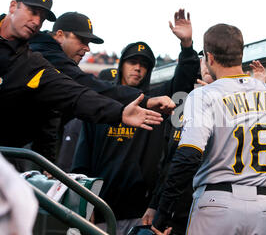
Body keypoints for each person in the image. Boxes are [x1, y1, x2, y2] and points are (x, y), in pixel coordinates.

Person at [151, 23, 266, 235]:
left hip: (217, 204)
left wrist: (163, 211)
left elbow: (188, 156)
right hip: (264, 207)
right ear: (241, 54)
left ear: (210, 57)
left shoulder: (205, 95)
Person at [72, 10, 200, 235]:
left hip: (139, 215)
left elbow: (183, 83)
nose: (138, 68)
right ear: (122, 65)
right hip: (99, 212)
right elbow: (81, 161)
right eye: (133, 62)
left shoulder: (156, 102)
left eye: (144, 65)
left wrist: (186, 46)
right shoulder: (100, 104)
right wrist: (83, 207)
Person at [0, 0, 164, 154]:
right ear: (13, 6)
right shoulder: (44, 53)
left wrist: (120, 112)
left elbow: (75, 93)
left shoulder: (33, 63)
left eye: (42, 18)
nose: (36, 22)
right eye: (33, 11)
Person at [142, 58, 266, 235]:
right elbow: (169, 162)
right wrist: (155, 205)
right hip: (176, 216)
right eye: (203, 61)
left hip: (213, 214)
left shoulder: (239, 105)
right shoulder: (186, 104)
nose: (207, 66)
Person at [28, 11, 174, 164]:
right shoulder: (41, 54)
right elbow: (88, 85)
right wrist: (143, 102)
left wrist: (46, 161)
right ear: (59, 35)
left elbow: (50, 118)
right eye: (82, 40)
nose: (87, 48)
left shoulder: (45, 53)